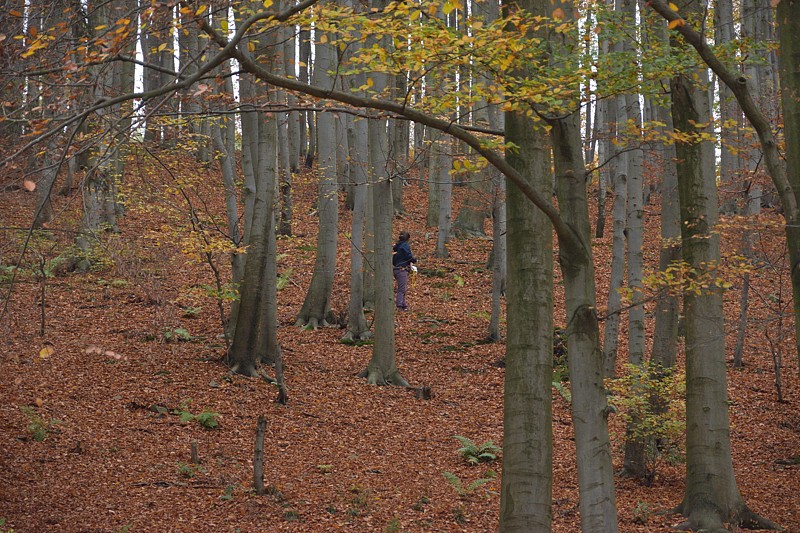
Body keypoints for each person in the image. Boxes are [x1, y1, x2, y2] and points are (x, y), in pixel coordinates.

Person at [392, 231, 417, 311]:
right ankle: (400, 305)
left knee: (402, 287)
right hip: (401, 270)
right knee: (402, 289)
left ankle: (403, 304)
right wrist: (414, 260)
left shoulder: (397, 247)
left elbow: (394, 261)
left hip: (396, 269)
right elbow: (409, 256)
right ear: (408, 239)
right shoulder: (404, 246)